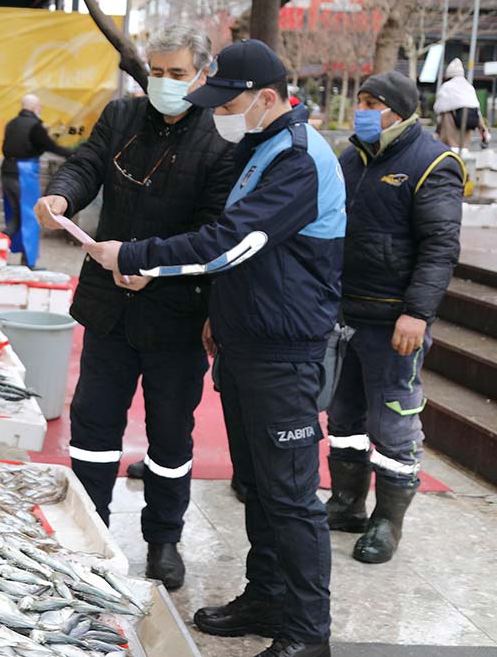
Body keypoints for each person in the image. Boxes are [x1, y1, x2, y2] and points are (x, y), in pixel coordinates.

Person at [71, 39, 344, 657]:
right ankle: (266, 594)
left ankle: (307, 632)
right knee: (257, 481)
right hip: (247, 340)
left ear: (267, 98)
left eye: (228, 99)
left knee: (292, 494)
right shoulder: (261, 146)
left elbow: (232, 242)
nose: (217, 111)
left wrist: (137, 256)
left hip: (285, 348)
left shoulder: (297, 158)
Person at [36, 25, 237, 590]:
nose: (165, 82)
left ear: (203, 75)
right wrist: (62, 195)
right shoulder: (121, 117)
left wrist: (155, 267)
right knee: (93, 424)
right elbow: (87, 163)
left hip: (176, 311)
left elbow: (215, 230)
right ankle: (88, 527)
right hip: (107, 309)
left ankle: (164, 537)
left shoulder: (222, 138)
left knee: (170, 433)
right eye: (157, 71)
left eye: (177, 73)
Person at [328, 71, 463, 564]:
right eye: (360, 99)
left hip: (395, 322)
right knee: (343, 418)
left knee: (393, 425)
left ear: (400, 110)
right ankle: (345, 504)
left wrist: (417, 313)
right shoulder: (350, 159)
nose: (362, 109)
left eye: (372, 102)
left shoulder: (432, 162)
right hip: (345, 314)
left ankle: (387, 522)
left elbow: (440, 246)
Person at [1, 94, 74, 268]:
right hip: (24, 173)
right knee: (29, 216)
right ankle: (27, 262)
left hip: (7, 171)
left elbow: (6, 147)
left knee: (14, 217)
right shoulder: (35, 126)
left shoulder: (11, 123)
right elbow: (50, 146)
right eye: (39, 107)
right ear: (35, 108)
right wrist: (73, 154)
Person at [435, 58, 489, 152]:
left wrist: (437, 132)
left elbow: (438, 108)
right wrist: (483, 130)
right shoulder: (469, 87)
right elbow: (477, 111)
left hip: (449, 134)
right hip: (466, 137)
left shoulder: (447, 87)